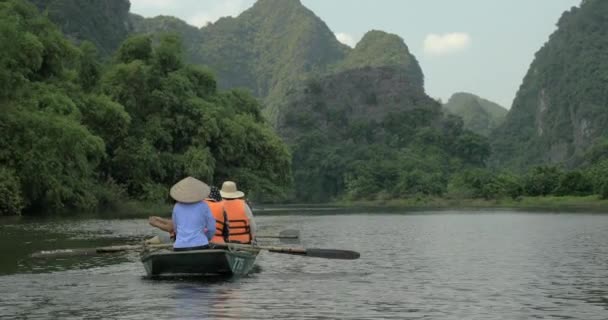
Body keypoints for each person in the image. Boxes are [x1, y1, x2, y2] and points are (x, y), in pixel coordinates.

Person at [168, 176, 216, 251]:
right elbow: (211, 228)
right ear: (197, 192)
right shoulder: (204, 205)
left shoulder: (176, 207)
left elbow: (175, 228)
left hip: (180, 246)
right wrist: (208, 238)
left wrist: (182, 238)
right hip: (201, 245)